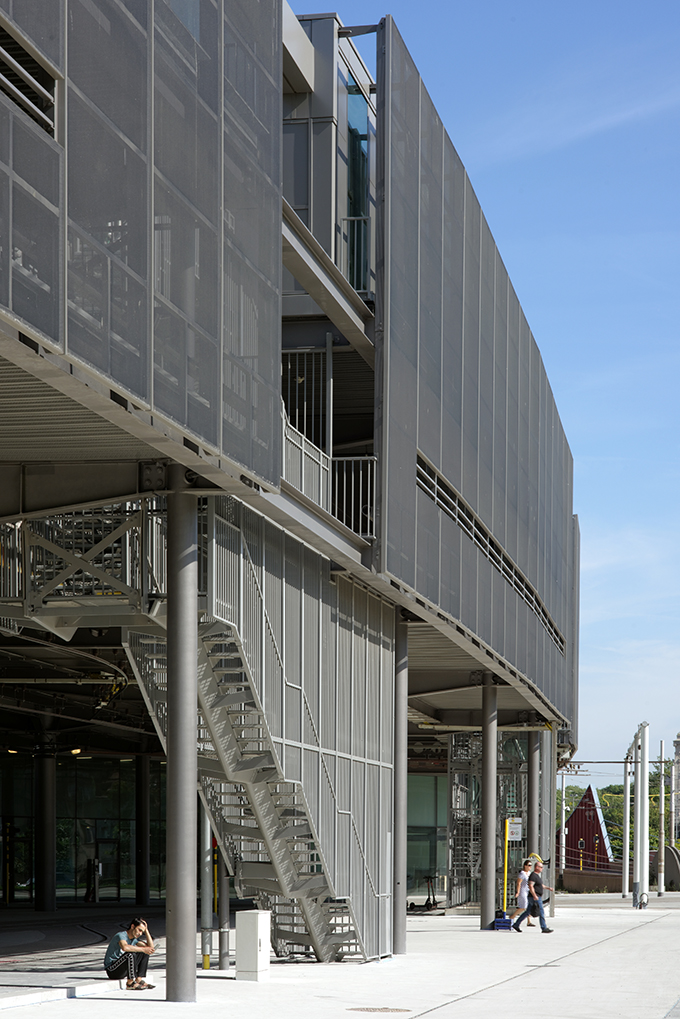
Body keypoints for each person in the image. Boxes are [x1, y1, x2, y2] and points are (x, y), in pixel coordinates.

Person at [104, 918, 156, 989]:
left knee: (145, 952)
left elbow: (150, 948)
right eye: (139, 930)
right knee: (130, 954)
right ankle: (130, 983)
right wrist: (144, 949)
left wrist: (146, 931)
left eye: (142, 932)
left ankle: (139, 979)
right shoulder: (121, 935)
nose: (140, 934)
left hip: (122, 968)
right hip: (112, 969)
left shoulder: (135, 939)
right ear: (132, 926)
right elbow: (125, 947)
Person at [512, 861, 553, 934]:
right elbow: (531, 886)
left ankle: (516, 924)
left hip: (534, 896)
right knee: (541, 911)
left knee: (528, 912)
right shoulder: (533, 876)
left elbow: (540, 885)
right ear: (537, 867)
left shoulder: (536, 876)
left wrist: (548, 888)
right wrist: (534, 895)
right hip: (535, 897)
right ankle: (544, 927)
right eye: (541, 867)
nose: (542, 869)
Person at [510, 859, 535, 926]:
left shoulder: (529, 873)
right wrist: (517, 892)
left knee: (528, 906)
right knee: (523, 907)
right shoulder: (522, 873)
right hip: (522, 891)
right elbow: (519, 883)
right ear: (525, 866)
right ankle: (513, 916)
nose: (530, 867)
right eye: (529, 865)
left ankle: (529, 921)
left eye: (531, 865)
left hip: (528, 891)